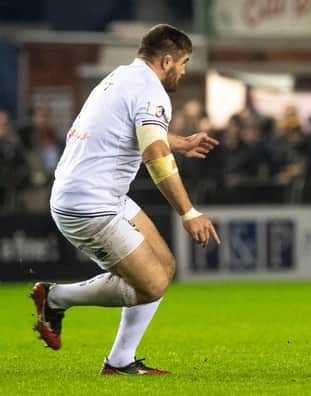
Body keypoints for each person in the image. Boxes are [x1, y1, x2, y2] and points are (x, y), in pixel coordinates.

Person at [30, 24, 221, 375]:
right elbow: (155, 156)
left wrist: (181, 142)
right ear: (167, 60)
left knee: (164, 266)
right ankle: (55, 298)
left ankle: (120, 361)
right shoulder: (152, 92)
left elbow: (133, 132)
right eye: (184, 62)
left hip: (97, 193)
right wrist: (189, 212)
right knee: (152, 285)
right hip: (89, 203)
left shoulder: (120, 77)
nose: (184, 70)